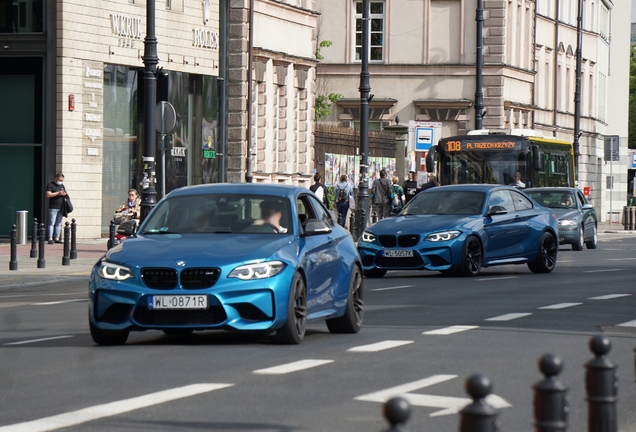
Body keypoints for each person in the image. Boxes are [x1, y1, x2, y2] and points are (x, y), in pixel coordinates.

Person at [45, 173, 67, 245]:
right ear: (56, 178)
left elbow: (65, 193)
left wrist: (64, 194)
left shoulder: (62, 186)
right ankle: (50, 238)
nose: (60, 182)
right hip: (53, 207)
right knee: (52, 223)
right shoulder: (50, 185)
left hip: (61, 207)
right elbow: (48, 194)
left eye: (62, 180)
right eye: (59, 180)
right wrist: (58, 193)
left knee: (58, 223)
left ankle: (57, 237)